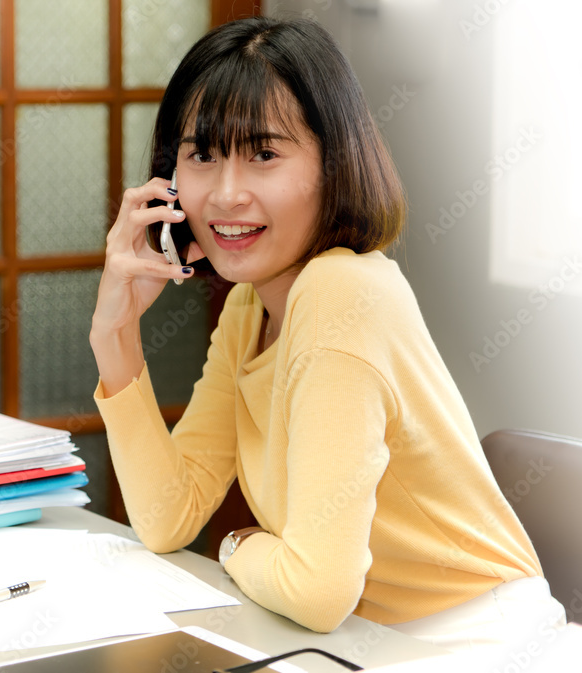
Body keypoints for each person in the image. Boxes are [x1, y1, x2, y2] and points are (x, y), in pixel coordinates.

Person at [89, 16, 565, 650]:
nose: (227, 193)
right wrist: (115, 335)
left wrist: (237, 545)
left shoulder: (342, 293)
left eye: (263, 154)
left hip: (481, 643)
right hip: (365, 642)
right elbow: (167, 515)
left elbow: (317, 590)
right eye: (202, 154)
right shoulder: (247, 312)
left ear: (333, 163)